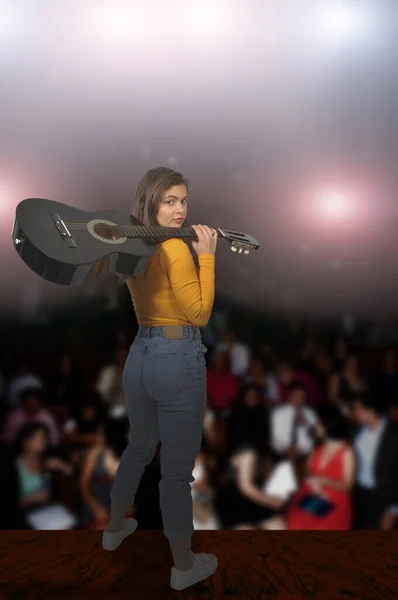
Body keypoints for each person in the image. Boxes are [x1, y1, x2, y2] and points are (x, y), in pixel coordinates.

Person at [101, 167, 219, 591]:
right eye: (170, 201)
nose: (180, 210)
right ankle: (184, 567)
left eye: (184, 201)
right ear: (150, 202)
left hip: (141, 354)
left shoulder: (132, 245)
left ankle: (114, 529)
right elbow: (200, 313)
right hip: (178, 355)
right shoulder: (173, 248)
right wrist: (205, 254)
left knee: (139, 445)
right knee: (175, 471)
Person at [285, 407, 355, 530]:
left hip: (334, 500)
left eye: (318, 423)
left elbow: (347, 486)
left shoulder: (346, 452)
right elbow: (307, 470)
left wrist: (323, 481)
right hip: (313, 494)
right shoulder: (317, 448)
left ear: (328, 425)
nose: (315, 426)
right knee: (296, 522)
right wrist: (313, 482)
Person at [351, 392, 398, 530]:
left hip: (384, 500)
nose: (354, 413)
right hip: (359, 496)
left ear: (370, 410)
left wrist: (395, 510)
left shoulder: (394, 434)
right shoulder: (356, 431)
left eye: (357, 409)